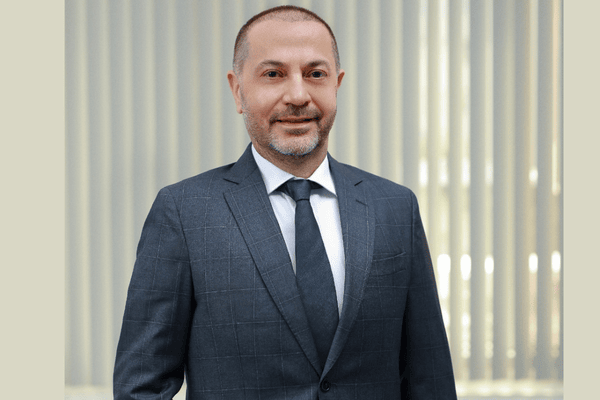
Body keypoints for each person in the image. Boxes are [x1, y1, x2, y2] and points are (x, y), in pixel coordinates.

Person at [114, 5, 457, 400]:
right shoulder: (184, 212)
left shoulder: (395, 207)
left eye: (315, 74)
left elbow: (430, 381)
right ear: (238, 90)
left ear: (337, 84)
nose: (297, 95)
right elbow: (141, 387)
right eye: (273, 74)